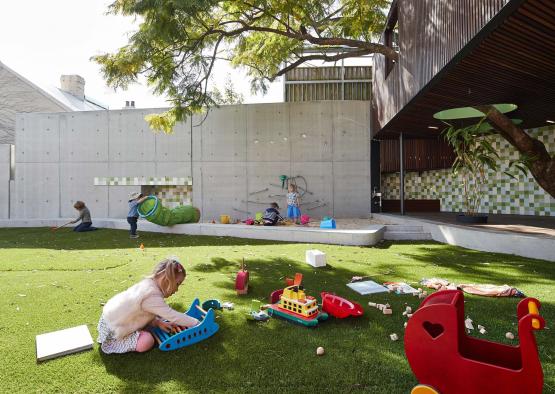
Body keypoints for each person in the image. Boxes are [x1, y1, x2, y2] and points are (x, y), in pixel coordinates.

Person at [97, 258, 200, 354]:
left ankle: (145, 327)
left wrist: (157, 323)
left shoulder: (147, 284)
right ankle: (124, 341)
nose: (177, 289)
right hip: (114, 331)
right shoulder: (151, 296)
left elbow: (140, 311)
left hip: (109, 319)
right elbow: (173, 316)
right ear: (167, 279)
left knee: (154, 319)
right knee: (147, 341)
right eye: (177, 284)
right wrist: (197, 323)